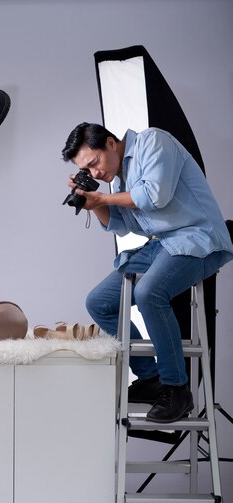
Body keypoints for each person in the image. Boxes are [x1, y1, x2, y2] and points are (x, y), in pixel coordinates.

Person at [62, 123, 233, 423]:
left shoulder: (154, 141)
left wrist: (103, 199)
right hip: (161, 245)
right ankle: (150, 378)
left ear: (111, 144)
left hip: (198, 238)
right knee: (99, 302)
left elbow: (154, 196)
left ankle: (177, 389)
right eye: (87, 170)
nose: (96, 173)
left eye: (94, 163)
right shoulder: (118, 179)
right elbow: (122, 225)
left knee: (149, 292)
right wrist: (93, 203)